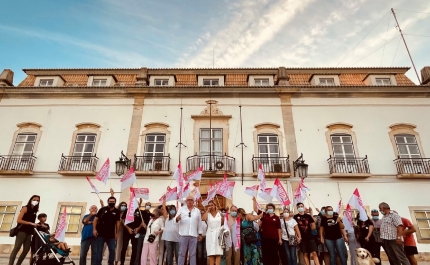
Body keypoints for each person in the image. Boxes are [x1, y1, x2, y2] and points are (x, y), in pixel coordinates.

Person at [9, 195, 40, 265]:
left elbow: (32, 222)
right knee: (17, 248)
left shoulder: (34, 211)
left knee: (26, 249)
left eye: (38, 200)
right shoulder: (25, 208)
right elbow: (19, 220)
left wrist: (37, 225)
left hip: (29, 232)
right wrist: (30, 223)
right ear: (31, 200)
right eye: (34, 199)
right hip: (21, 231)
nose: (36, 201)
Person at [176, 195, 203, 265]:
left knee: (193, 254)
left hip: (193, 235)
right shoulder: (181, 209)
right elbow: (175, 220)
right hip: (183, 234)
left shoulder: (197, 211)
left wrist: (200, 233)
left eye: (191, 200)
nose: (190, 201)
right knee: (182, 253)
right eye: (188, 200)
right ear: (186, 201)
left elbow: (199, 223)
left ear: (194, 201)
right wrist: (177, 218)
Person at [93, 197, 121, 265]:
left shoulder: (117, 211)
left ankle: (110, 263)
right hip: (100, 234)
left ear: (115, 202)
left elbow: (118, 223)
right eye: (110, 201)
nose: (112, 202)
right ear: (108, 202)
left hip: (111, 235)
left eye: (113, 201)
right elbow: (95, 220)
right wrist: (94, 230)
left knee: (112, 251)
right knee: (99, 251)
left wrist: (117, 233)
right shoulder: (102, 209)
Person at [257, 201, 282, 265]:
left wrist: (280, 239)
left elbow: (278, 228)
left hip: (274, 238)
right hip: (265, 238)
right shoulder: (264, 215)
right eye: (268, 208)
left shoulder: (276, 218)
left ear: (273, 209)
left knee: (274, 253)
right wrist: (254, 200)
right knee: (266, 253)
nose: (270, 209)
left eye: (271, 208)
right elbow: (255, 209)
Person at [202, 200, 223, 265]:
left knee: (218, 252)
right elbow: (203, 219)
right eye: (209, 205)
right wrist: (207, 210)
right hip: (210, 234)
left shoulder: (219, 213)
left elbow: (223, 222)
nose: (210, 206)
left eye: (212, 205)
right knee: (211, 253)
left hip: (218, 234)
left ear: (215, 205)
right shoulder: (207, 214)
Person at [162, 199, 180, 265]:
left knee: (177, 253)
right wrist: (164, 200)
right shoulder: (166, 218)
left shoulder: (177, 218)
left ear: (175, 210)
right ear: (169, 211)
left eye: (173, 209)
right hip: (168, 239)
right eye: (171, 209)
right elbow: (163, 208)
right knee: (169, 254)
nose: (172, 210)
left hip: (177, 239)